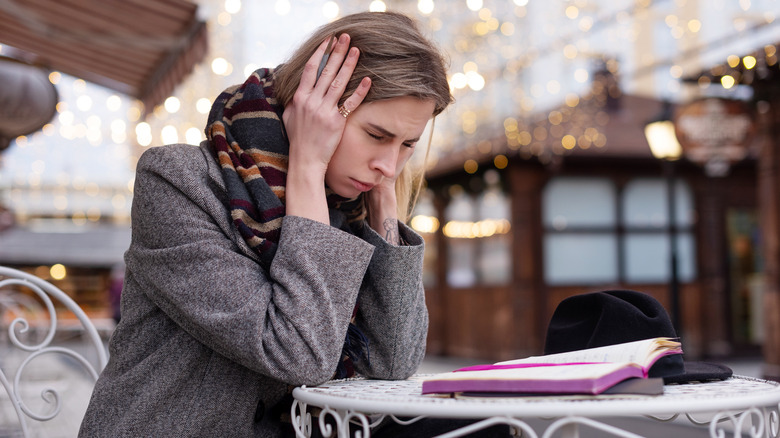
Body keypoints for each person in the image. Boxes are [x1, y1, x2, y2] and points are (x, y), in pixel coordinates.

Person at [79, 10, 507, 437]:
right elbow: (299, 354)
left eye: (407, 145)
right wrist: (306, 165)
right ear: (313, 107)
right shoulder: (178, 182)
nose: (388, 165)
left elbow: (392, 361)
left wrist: (384, 209)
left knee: (486, 428)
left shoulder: (348, 204)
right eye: (377, 136)